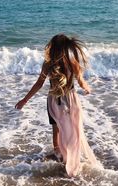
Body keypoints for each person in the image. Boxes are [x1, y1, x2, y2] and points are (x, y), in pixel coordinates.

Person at [15, 34, 97, 176]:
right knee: (74, 129)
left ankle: (59, 154)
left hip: (54, 100)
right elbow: (81, 82)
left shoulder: (47, 64)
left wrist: (25, 99)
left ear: (52, 48)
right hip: (72, 100)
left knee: (56, 128)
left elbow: (39, 84)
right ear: (66, 48)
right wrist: (87, 88)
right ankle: (71, 155)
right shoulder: (74, 63)